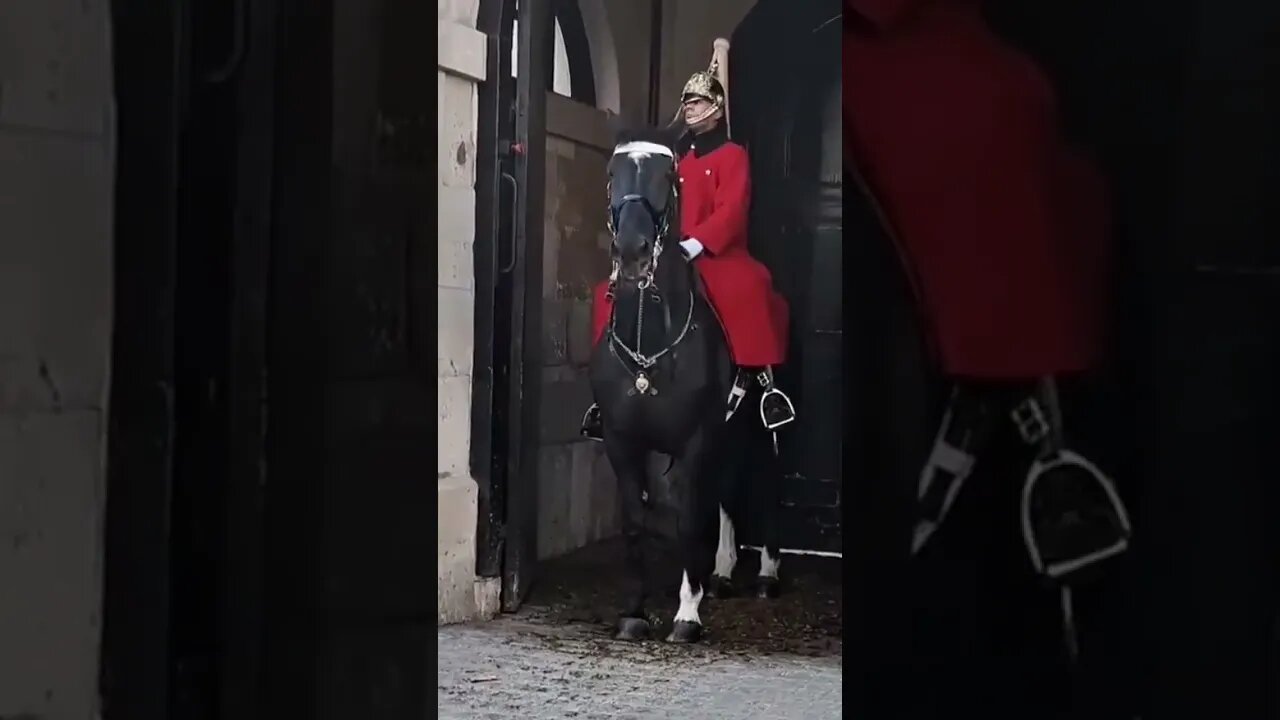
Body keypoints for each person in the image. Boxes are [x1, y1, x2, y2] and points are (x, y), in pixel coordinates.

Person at [581, 39, 795, 441]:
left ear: (715, 107)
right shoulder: (680, 161)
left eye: (697, 102)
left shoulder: (733, 156)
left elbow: (732, 210)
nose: (689, 109)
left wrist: (697, 244)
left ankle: (763, 381)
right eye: (688, 102)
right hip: (670, 250)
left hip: (717, 251)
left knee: (749, 287)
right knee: (605, 292)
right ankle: (603, 395)